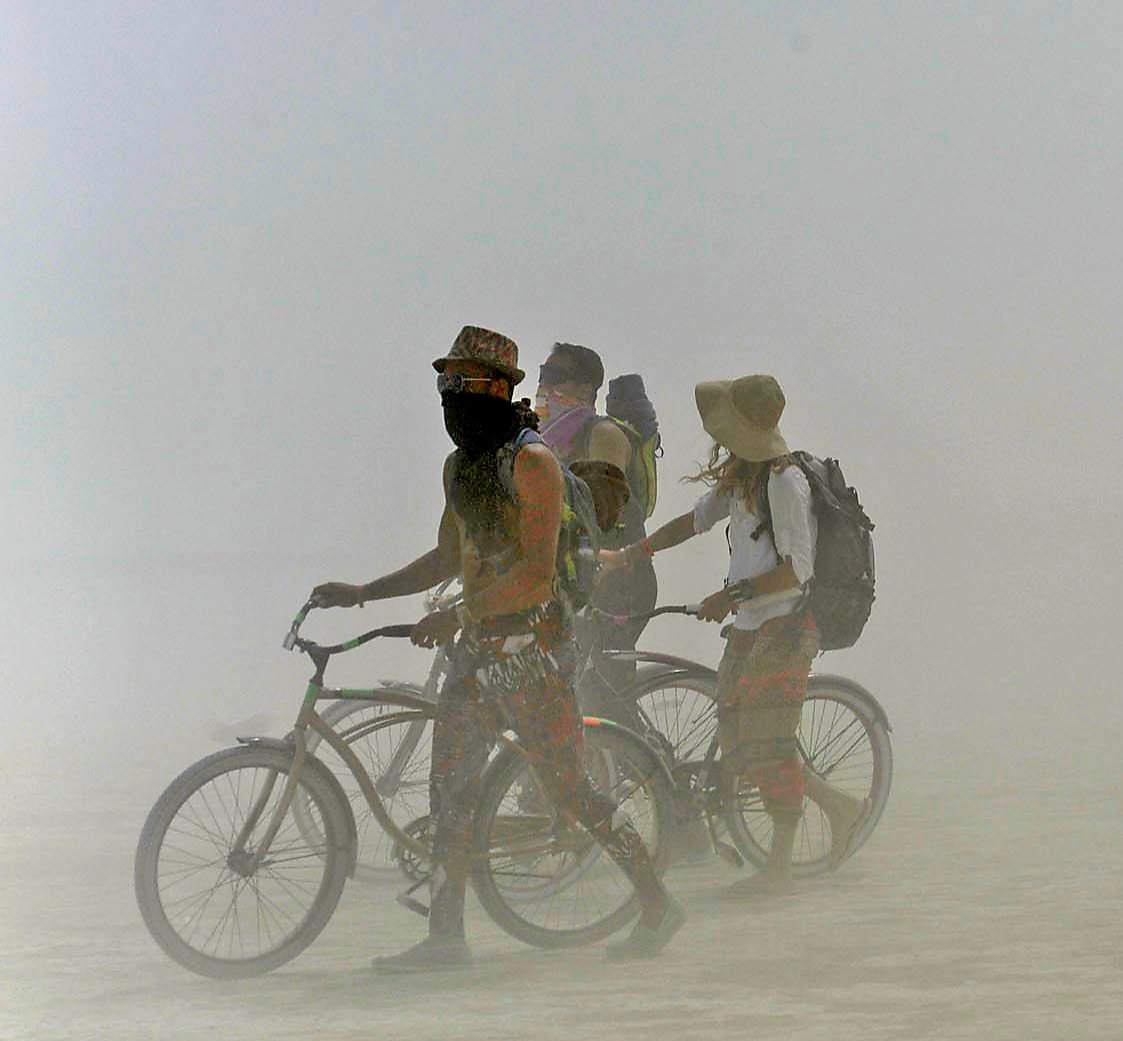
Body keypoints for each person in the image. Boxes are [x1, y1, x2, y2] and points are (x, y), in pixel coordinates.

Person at [313, 326, 684, 969]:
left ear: (501, 391)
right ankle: (445, 938)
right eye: (446, 384)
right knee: (449, 792)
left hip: (533, 656)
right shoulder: (461, 467)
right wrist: (365, 593)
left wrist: (457, 611)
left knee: (571, 791)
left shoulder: (531, 465)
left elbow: (535, 578)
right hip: (478, 654)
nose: (453, 396)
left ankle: (656, 901)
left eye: (466, 384)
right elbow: (449, 555)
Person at [603, 374, 865, 895]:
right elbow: (693, 521)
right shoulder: (743, 477)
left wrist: (730, 597)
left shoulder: (784, 483)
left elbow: (798, 571)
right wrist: (633, 555)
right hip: (749, 627)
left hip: (785, 626)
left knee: (767, 748)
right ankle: (841, 806)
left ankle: (780, 869)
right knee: (738, 744)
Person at [535, 343, 659, 653]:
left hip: (620, 577)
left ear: (586, 387)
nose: (544, 385)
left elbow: (606, 513)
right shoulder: (551, 442)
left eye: (556, 376)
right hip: (580, 574)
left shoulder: (603, 435)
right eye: (543, 374)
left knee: (602, 687)